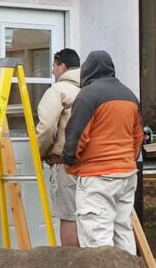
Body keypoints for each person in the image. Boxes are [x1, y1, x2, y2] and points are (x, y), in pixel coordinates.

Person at [61, 50, 143, 254]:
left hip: (97, 177)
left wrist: (69, 160)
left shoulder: (88, 96)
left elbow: (77, 136)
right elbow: (137, 137)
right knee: (123, 231)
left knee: (97, 236)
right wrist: (126, 161)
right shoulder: (129, 95)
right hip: (126, 174)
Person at [35, 49, 82, 247]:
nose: (53, 72)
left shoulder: (58, 90)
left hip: (65, 163)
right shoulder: (88, 90)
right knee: (87, 216)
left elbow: (46, 128)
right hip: (90, 164)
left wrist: (38, 152)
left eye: (54, 67)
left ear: (62, 66)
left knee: (68, 216)